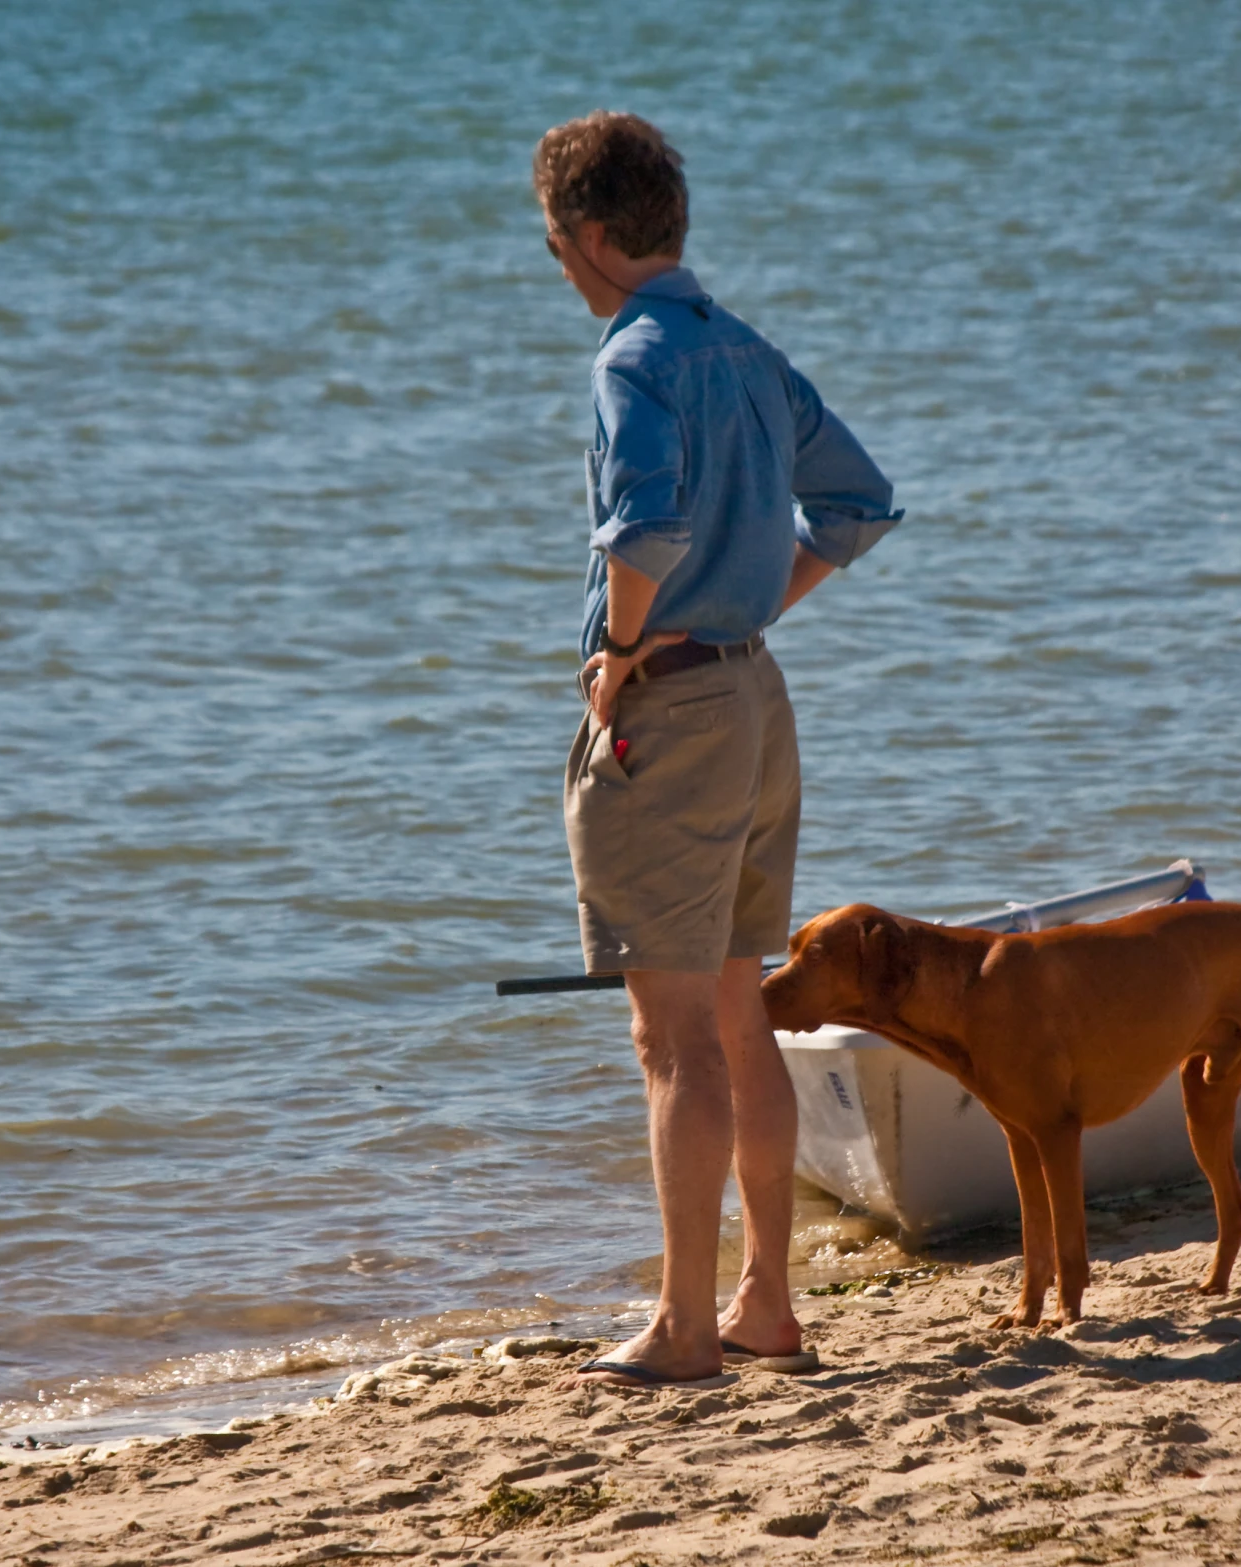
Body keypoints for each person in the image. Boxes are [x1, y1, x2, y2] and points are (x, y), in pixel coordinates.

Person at [533, 111, 902, 1386]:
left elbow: (641, 528)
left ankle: (687, 1327)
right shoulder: (744, 350)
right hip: (753, 698)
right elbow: (857, 505)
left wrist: (622, 655)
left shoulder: (631, 356)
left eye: (553, 247)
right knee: (741, 1015)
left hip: (676, 707)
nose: (559, 271)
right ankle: (764, 1302)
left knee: (673, 1037)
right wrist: (753, 605)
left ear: (588, 237)